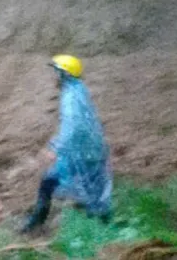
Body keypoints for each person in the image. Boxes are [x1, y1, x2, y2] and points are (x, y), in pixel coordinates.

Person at [22, 55, 112, 232]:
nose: (54, 76)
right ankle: (103, 226)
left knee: (50, 182)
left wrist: (55, 148)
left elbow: (73, 127)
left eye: (56, 72)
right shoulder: (79, 90)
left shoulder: (71, 97)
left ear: (64, 74)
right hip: (90, 150)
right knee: (93, 192)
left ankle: (34, 225)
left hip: (82, 153)